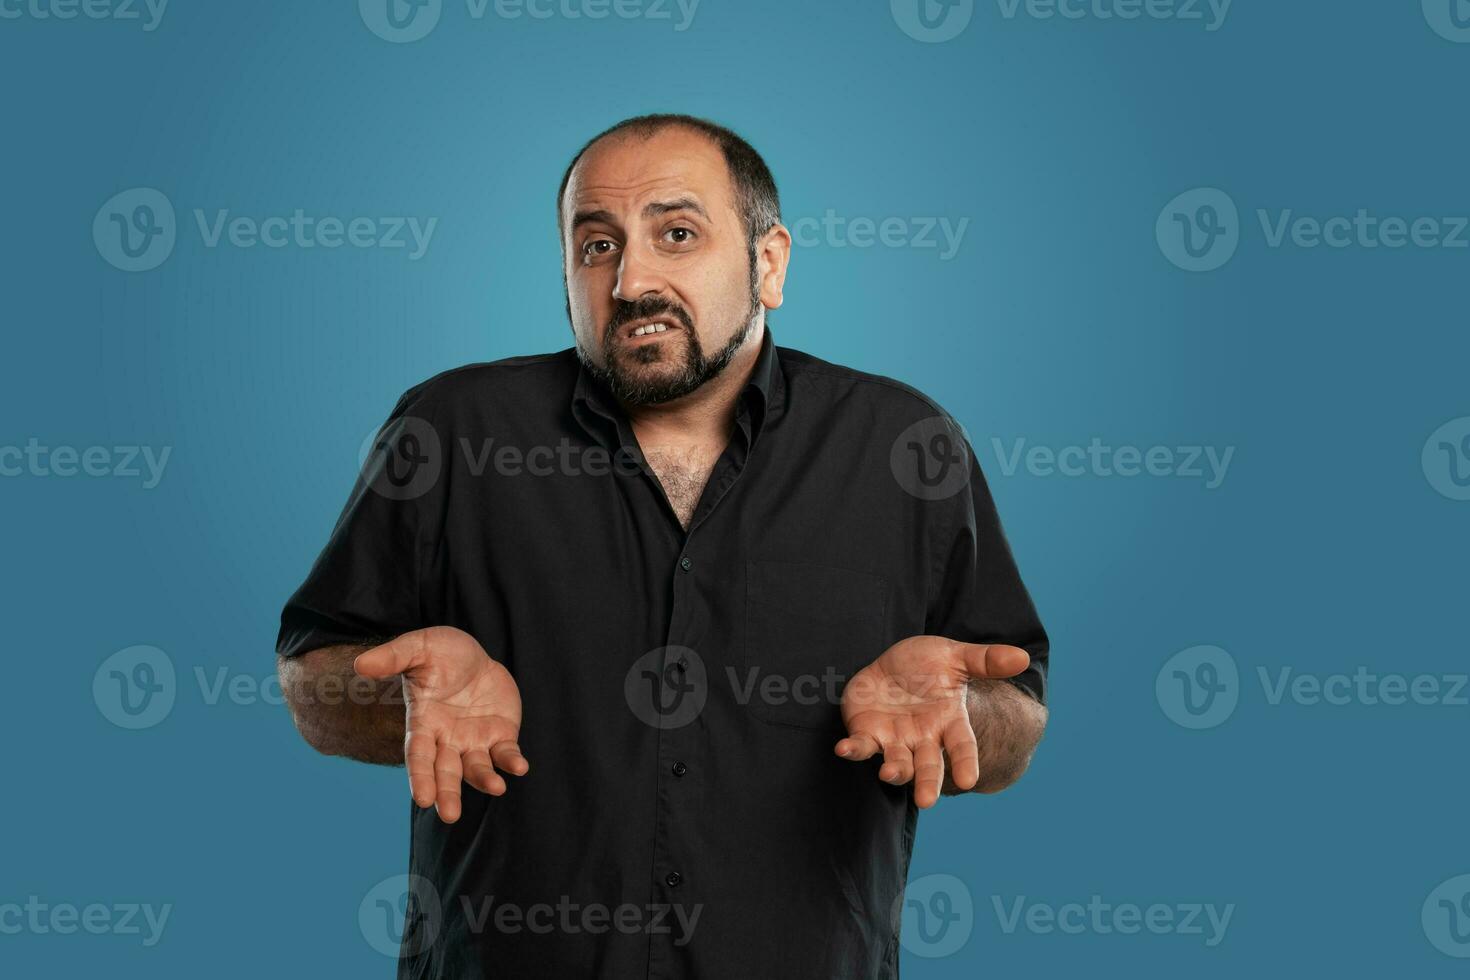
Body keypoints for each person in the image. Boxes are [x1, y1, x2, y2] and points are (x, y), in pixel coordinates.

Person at [277, 113, 1049, 979]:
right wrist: (406, 701)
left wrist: (957, 717)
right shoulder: (450, 431)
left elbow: (1015, 713)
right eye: (596, 246)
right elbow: (312, 676)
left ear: (769, 261)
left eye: (676, 235)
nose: (631, 279)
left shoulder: (906, 447)